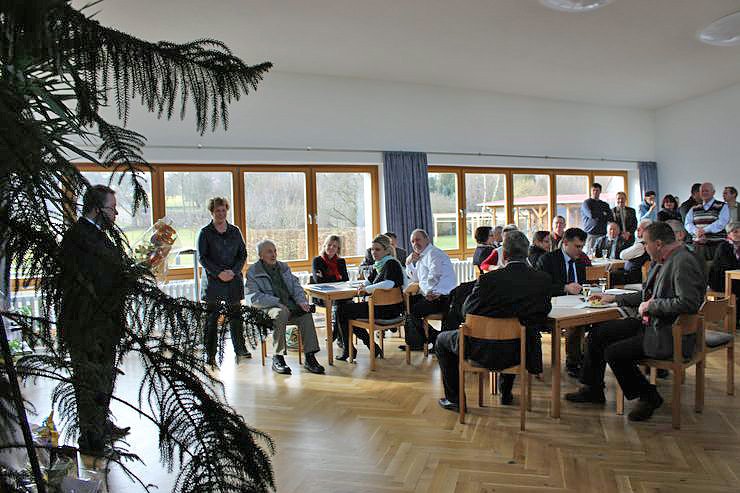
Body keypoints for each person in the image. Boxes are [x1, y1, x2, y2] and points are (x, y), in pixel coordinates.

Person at [566, 222, 705, 422]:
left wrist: (652, 306)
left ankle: (649, 396)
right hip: (653, 324)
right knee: (598, 333)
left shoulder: (683, 262)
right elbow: (648, 295)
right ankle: (592, 389)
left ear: (658, 244)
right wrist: (615, 298)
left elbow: (688, 303)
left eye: (645, 243)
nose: (644, 248)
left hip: (668, 333)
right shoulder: (664, 260)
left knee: (614, 353)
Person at [436, 231, 551, 411]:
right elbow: (543, 312)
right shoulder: (542, 280)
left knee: (441, 340)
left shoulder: (488, 280)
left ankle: (455, 400)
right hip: (522, 350)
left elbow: (467, 311)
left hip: (481, 349)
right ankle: (506, 391)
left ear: (504, 254)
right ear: (527, 253)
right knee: (517, 329)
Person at [58, 185, 130, 454]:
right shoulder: (79, 238)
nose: (115, 214)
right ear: (97, 209)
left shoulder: (97, 235)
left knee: (104, 379)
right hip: (87, 325)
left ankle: (101, 425)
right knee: (90, 383)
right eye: (112, 208)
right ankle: (91, 440)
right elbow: (97, 279)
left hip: (104, 325)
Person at [244, 240, 325, 375]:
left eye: (275, 251)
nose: (274, 254)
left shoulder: (284, 267)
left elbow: (296, 287)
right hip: (268, 308)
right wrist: (277, 302)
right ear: (261, 255)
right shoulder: (253, 271)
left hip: (289, 306)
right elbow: (253, 298)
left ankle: (310, 357)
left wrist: (301, 301)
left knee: (306, 313)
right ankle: (278, 357)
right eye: (269, 252)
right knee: (280, 313)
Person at [197, 197, 250, 365]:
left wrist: (233, 271)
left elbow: (242, 254)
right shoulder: (205, 232)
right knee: (211, 319)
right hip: (213, 281)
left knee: (236, 316)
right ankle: (210, 353)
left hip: (233, 279)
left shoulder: (235, 231)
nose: (221, 213)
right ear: (212, 212)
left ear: (227, 210)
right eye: (217, 211)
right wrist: (219, 273)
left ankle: (240, 348)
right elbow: (202, 258)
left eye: (223, 210)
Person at [335, 234, 405, 361]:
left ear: (386, 250)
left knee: (342, 310)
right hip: (379, 307)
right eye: (372, 249)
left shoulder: (391, 264)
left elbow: (389, 284)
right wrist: (363, 285)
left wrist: (367, 289)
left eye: (377, 249)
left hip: (389, 310)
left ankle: (351, 349)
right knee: (346, 311)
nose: (373, 252)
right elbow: (370, 280)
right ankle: (369, 347)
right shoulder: (379, 264)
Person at [535, 227, 588, 377]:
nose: (580, 250)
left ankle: (587, 361)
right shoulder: (548, 260)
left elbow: (583, 284)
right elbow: (541, 287)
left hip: (578, 304)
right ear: (565, 243)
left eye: (582, 247)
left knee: (598, 322)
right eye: (577, 246)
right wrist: (565, 287)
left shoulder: (580, 261)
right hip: (553, 305)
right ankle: (573, 362)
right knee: (575, 322)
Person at [404, 229, 457, 352]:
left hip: (443, 297)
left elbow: (435, 275)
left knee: (413, 311)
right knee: (406, 305)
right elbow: (415, 278)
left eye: (418, 240)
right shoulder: (422, 256)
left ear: (427, 239)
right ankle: (426, 340)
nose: (415, 243)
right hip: (433, 294)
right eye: (412, 241)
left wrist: (428, 291)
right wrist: (408, 263)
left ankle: (430, 340)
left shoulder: (433, 253)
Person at [311, 234, 350, 350]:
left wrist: (327, 277)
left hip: (339, 295)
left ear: (338, 249)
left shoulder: (341, 261)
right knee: (343, 306)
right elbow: (319, 281)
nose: (331, 248)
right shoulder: (317, 260)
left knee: (343, 305)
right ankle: (340, 338)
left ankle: (337, 334)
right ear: (324, 246)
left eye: (335, 246)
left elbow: (345, 280)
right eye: (329, 245)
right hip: (323, 296)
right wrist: (337, 278)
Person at [684, 182, 730, 260]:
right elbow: (687, 223)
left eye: (707, 191)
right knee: (699, 267)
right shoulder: (694, 208)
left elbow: (722, 222)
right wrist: (696, 231)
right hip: (698, 246)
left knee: (717, 267)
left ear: (713, 192)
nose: (704, 193)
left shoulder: (722, 206)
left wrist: (704, 230)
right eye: (702, 191)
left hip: (717, 246)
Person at [609, 218, 653, 286]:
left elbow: (622, 255)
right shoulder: (645, 243)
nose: (637, 230)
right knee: (612, 273)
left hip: (633, 277)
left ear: (646, 231)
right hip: (631, 274)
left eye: (639, 229)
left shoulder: (641, 245)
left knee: (609, 275)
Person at [708, 221, 740, 301]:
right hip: (721, 280)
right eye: (735, 232)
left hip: (735, 279)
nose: (739, 234)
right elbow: (729, 266)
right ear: (728, 234)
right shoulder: (723, 246)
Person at [581, 183, 614, 253]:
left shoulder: (605, 204)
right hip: (591, 234)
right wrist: (603, 213)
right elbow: (591, 215)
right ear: (591, 191)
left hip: (603, 234)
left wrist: (598, 213)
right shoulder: (586, 203)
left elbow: (610, 217)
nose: (595, 192)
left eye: (597, 190)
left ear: (600, 192)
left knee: (603, 254)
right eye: (593, 190)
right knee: (591, 255)